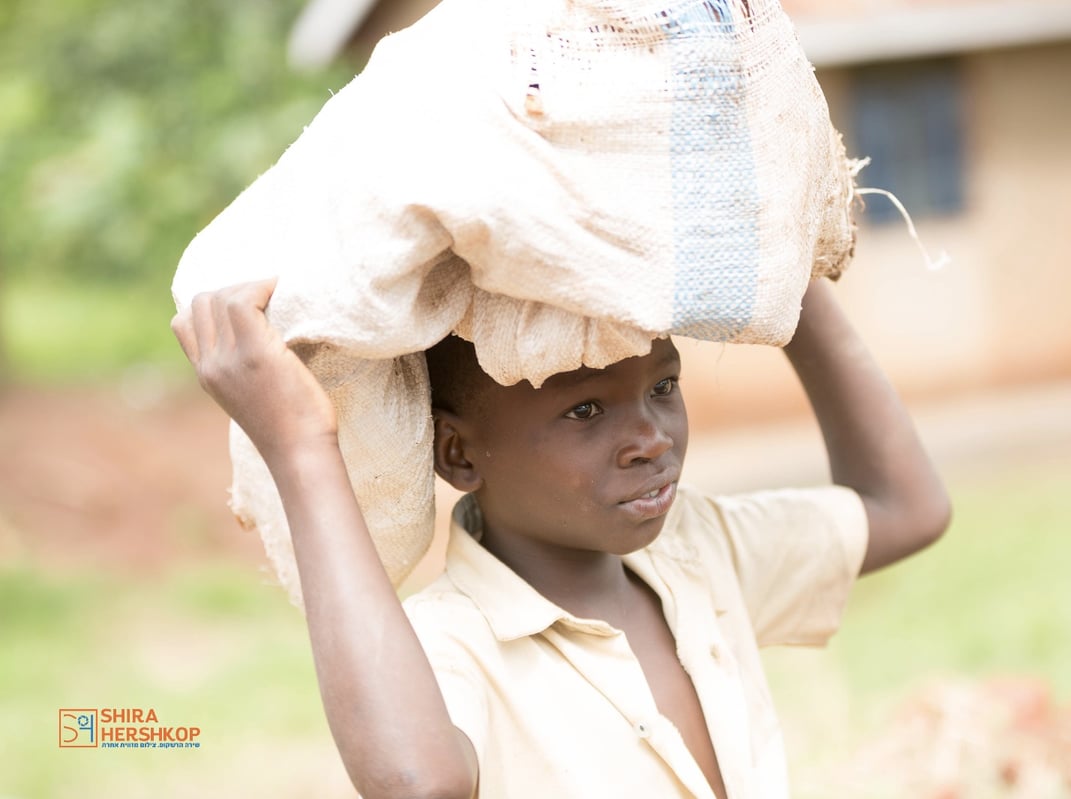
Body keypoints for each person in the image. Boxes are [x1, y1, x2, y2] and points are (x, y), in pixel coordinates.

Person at [171, 274, 950, 799]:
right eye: (585, 411)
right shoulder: (453, 644)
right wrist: (303, 446)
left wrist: (785, 272)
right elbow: (419, 781)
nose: (651, 436)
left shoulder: (699, 554)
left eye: (663, 386)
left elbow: (906, 506)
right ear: (458, 452)